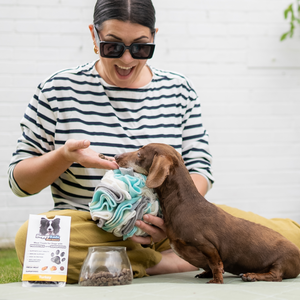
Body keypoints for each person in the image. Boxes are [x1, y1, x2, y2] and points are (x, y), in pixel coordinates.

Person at [9, 0, 300, 284]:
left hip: (183, 227)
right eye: (113, 46)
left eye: (141, 47)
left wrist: (173, 223)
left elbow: (200, 168)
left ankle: (141, 258)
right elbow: (20, 182)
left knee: (290, 238)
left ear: (154, 37)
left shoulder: (178, 89)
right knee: (31, 240)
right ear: (93, 36)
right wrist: (64, 156)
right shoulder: (57, 89)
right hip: (93, 229)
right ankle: (166, 263)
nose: (127, 60)